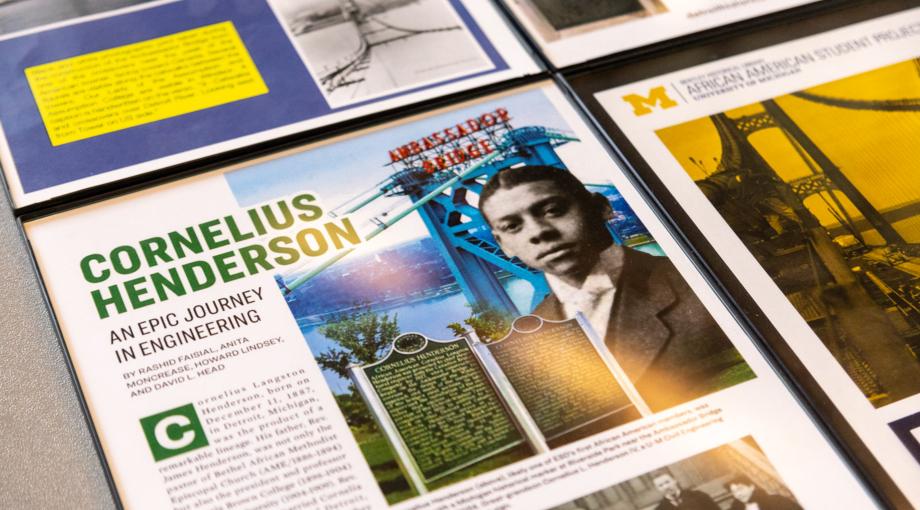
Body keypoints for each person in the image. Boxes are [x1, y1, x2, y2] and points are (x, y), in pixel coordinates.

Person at [479, 164, 745, 411]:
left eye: (553, 211)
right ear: (504, 245)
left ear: (601, 207)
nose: (538, 232)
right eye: (513, 226)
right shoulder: (525, 344)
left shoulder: (706, 285)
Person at [650, 472, 720, 510]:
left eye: (667, 482)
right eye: (660, 485)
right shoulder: (660, 509)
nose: (666, 487)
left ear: (674, 481)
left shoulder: (699, 496)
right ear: (657, 489)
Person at [727, 475, 802, 510]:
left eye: (740, 489)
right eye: (733, 492)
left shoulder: (777, 501)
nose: (737, 494)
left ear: (751, 487)